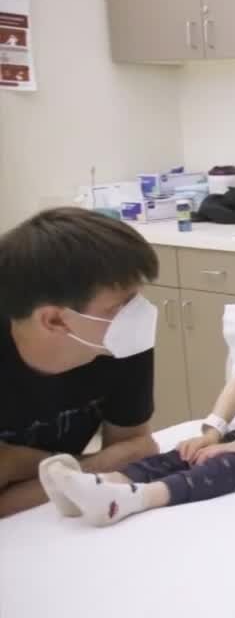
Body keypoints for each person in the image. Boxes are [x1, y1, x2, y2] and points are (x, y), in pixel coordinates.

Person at [40, 226, 235, 527]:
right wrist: (213, 431)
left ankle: (133, 500)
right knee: (185, 453)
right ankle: (99, 485)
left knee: (223, 466)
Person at [0, 207, 161, 519]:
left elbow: (136, 450)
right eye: (120, 304)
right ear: (55, 320)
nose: (137, 314)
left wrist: (18, 463)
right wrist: (84, 471)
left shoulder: (120, 345)